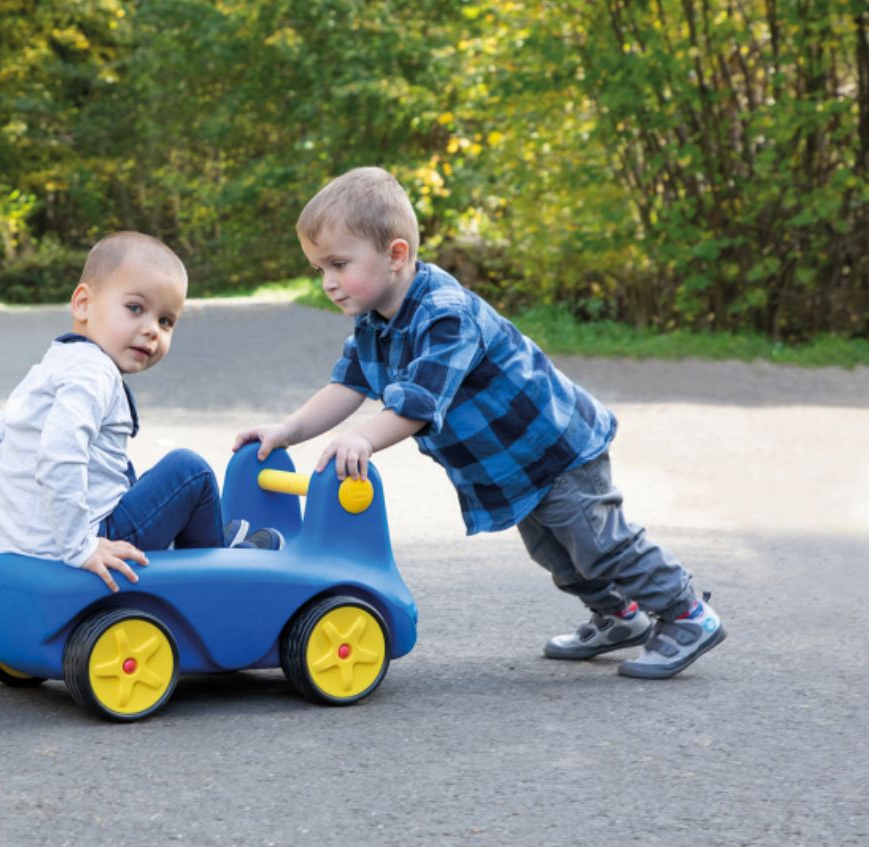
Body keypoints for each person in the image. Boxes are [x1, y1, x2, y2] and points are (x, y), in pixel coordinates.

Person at [233, 167, 725, 679]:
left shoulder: (446, 315)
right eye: (318, 269)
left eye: (338, 264)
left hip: (554, 446)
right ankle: (619, 616)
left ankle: (688, 614)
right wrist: (287, 432)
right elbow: (346, 386)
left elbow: (417, 403)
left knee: (600, 545)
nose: (328, 282)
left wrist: (362, 436)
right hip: (511, 464)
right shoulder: (373, 322)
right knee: (553, 552)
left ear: (396, 255)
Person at [0, 231, 281, 593]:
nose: (151, 330)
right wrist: (81, 547)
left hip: (18, 541)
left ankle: (204, 534)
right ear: (82, 304)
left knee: (129, 477)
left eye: (166, 321)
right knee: (190, 471)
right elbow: (59, 455)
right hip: (81, 538)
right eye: (135, 308)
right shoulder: (94, 372)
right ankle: (216, 560)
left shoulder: (52, 364)